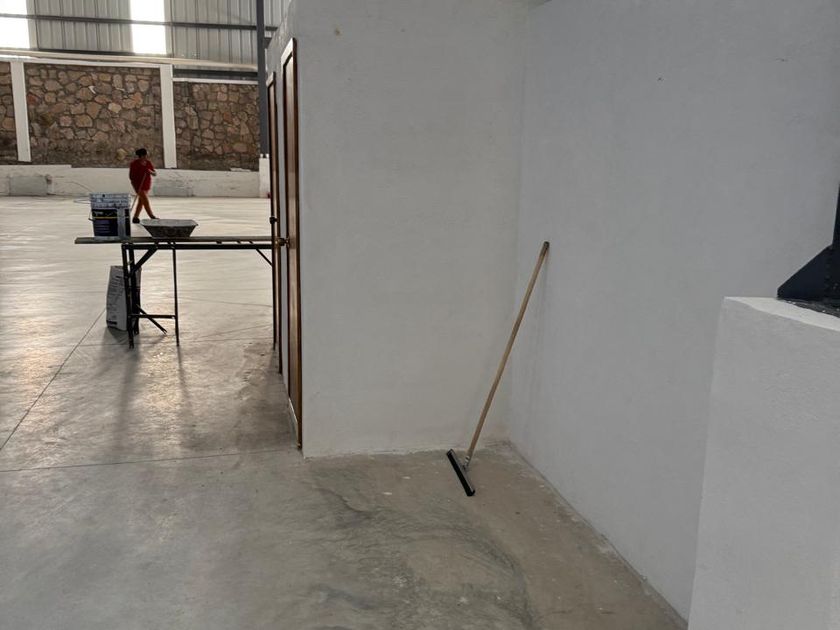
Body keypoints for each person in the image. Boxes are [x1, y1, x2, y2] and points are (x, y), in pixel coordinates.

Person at [129, 148, 158, 223]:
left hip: (146, 184)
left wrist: (150, 171)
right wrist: (137, 178)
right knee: (145, 200)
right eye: (145, 155)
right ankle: (151, 216)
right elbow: (131, 176)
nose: (147, 156)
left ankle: (135, 217)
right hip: (138, 185)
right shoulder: (134, 164)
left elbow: (154, 173)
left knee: (141, 201)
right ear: (142, 156)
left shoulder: (148, 163)